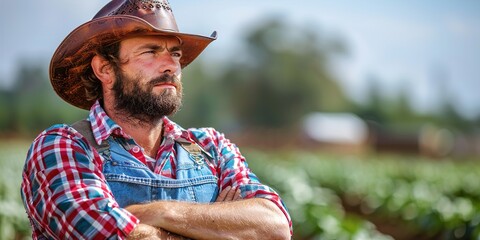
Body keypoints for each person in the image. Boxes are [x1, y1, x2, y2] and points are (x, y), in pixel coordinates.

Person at [20, 0, 292, 239]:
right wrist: (217, 226)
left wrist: (160, 212)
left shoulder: (211, 147)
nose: (171, 65)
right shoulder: (63, 146)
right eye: (150, 52)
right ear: (104, 68)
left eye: (175, 53)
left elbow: (275, 226)